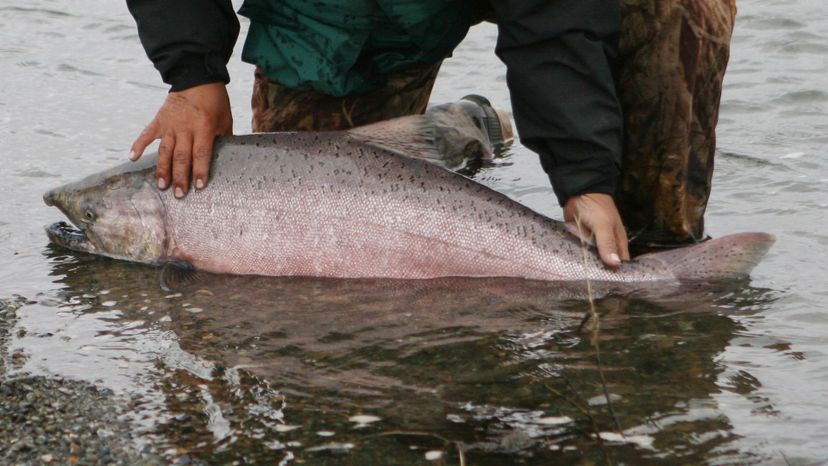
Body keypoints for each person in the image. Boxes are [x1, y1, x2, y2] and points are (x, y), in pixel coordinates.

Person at [125, 0, 735, 267]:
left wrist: (585, 177)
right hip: (338, 16)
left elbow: (555, 18)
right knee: (315, 202)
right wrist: (192, 77)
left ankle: (647, 254)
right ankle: (463, 129)